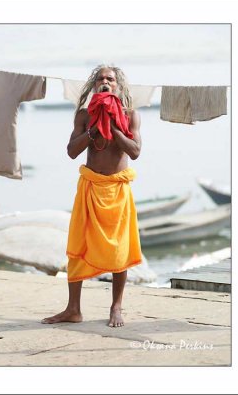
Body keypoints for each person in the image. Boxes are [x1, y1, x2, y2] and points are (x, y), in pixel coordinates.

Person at [41, 65, 142, 328]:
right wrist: (95, 130)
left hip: (117, 191)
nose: (105, 82)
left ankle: (116, 307)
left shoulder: (130, 115)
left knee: (119, 249)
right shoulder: (84, 116)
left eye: (110, 79)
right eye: (101, 79)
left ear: (118, 85)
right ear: (94, 85)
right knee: (78, 247)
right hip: (90, 188)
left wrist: (114, 127)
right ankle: (73, 309)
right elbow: (72, 151)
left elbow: (135, 151)